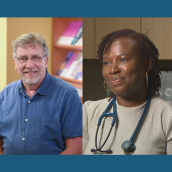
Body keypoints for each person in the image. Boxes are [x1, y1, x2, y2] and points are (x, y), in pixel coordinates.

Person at [83, 29, 172, 155]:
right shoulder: (88, 112)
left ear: (147, 65)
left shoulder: (167, 117)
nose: (113, 69)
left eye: (123, 60)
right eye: (107, 62)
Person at [0, 32, 82, 155]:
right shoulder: (4, 95)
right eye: (23, 58)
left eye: (36, 57)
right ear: (15, 64)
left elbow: (76, 149)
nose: (29, 65)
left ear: (46, 61)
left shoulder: (68, 95)